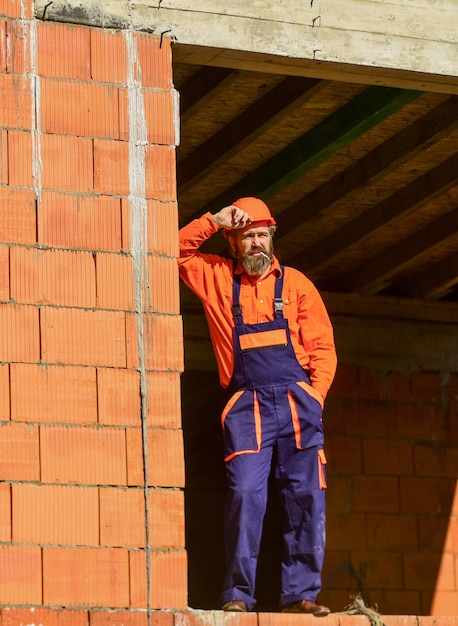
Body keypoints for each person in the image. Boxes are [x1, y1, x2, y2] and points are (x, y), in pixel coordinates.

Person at [178, 197, 337, 615]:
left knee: (306, 496)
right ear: (233, 242)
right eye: (247, 236)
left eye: (262, 235)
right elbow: (173, 251)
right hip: (247, 406)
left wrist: (314, 397)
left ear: (272, 238)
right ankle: (237, 594)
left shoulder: (297, 284)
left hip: (298, 403)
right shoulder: (213, 276)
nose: (256, 244)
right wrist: (213, 220)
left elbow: (322, 348)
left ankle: (301, 596)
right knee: (245, 494)